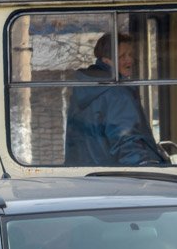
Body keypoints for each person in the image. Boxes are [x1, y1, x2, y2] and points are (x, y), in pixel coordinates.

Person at [64, 32, 166, 167]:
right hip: (114, 175)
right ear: (107, 60)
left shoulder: (84, 89)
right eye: (122, 56)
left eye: (130, 54)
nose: (129, 60)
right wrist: (146, 168)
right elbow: (126, 141)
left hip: (85, 174)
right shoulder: (117, 94)